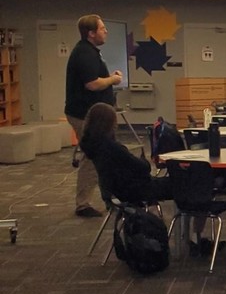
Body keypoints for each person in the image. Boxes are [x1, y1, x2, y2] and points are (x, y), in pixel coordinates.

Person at [80, 103, 208, 246]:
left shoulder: (94, 147)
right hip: (137, 189)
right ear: (109, 124)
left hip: (116, 191)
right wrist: (142, 160)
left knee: (182, 183)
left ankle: (190, 236)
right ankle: (194, 238)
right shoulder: (113, 148)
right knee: (190, 183)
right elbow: (143, 168)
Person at [65, 15, 122, 218]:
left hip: (94, 114)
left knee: (104, 154)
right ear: (91, 33)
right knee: (92, 156)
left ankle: (111, 194)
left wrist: (109, 79)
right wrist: (113, 80)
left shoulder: (89, 52)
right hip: (85, 115)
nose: (106, 31)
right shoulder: (84, 53)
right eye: (102, 28)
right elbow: (92, 84)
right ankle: (83, 204)